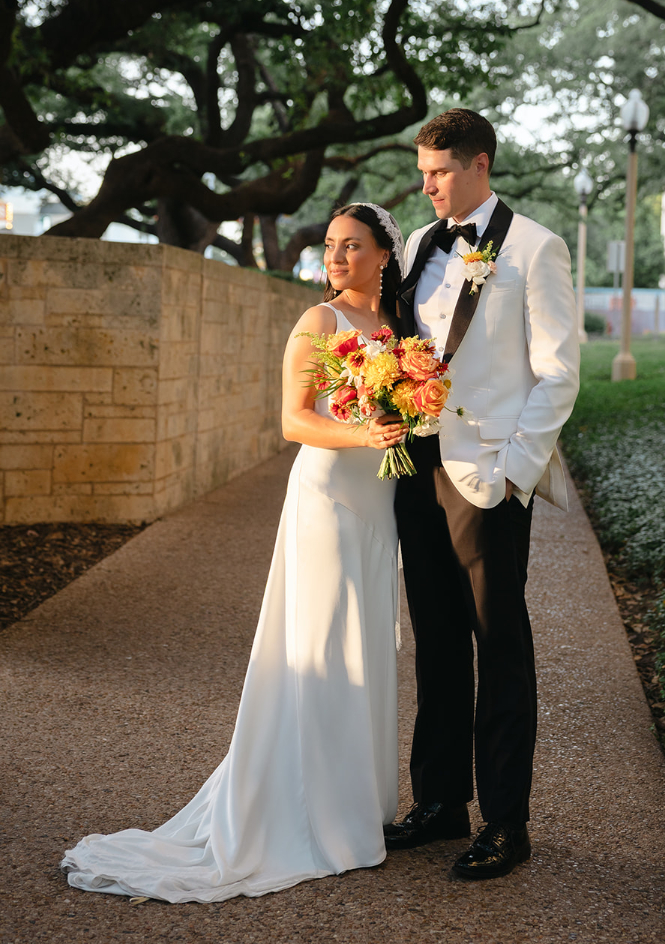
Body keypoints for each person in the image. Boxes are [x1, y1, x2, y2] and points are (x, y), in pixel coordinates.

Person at [61, 203, 407, 903]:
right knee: (321, 644)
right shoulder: (318, 323)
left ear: (383, 256)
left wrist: (403, 419)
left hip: (378, 505)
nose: (336, 258)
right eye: (332, 247)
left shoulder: (399, 330)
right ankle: (304, 814)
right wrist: (367, 436)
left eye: (352, 246)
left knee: (365, 644)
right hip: (328, 502)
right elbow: (293, 419)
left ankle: (355, 809)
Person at [385, 108, 580, 880]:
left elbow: (559, 371)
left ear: (480, 165)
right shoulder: (416, 246)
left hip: (488, 478)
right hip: (416, 467)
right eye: (423, 171)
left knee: (498, 644)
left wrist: (512, 474)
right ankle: (439, 804)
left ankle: (506, 821)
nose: (425, 185)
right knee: (434, 638)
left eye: (438, 172)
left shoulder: (535, 248)